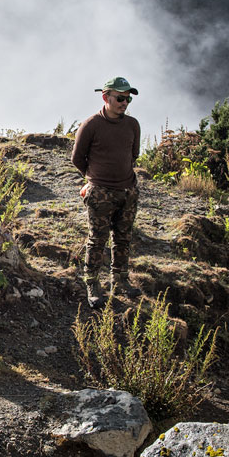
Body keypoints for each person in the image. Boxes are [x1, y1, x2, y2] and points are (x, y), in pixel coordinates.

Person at [71, 77, 142, 308]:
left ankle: (120, 281)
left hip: (127, 191)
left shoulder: (132, 125)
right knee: (97, 240)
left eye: (128, 98)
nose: (125, 103)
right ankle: (92, 283)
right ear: (106, 97)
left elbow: (134, 155)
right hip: (100, 193)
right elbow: (77, 158)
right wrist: (93, 181)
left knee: (123, 239)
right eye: (120, 98)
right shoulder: (91, 125)